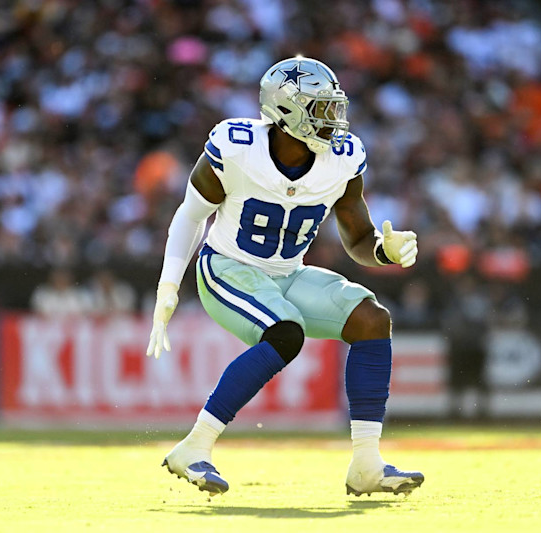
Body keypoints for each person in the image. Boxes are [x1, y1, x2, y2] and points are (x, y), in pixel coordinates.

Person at [146, 56, 423, 497]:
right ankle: (193, 446)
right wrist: (168, 285)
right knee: (285, 332)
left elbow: (358, 235)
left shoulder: (343, 159)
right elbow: (189, 216)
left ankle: (366, 464)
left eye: (335, 107)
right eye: (321, 109)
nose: (334, 120)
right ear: (287, 111)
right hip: (226, 268)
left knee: (372, 319)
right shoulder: (237, 148)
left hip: (287, 273)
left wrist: (381, 251)